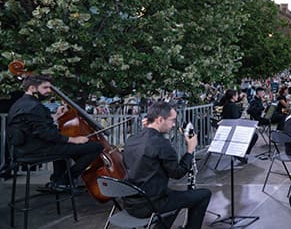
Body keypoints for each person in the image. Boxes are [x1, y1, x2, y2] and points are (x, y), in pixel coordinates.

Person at [123, 101, 212, 229]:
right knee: (204, 195)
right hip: (150, 204)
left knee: (174, 196)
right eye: (172, 120)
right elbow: (177, 173)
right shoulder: (161, 144)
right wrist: (190, 150)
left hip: (130, 202)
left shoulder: (132, 139)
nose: (174, 124)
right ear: (159, 119)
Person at [6, 74, 103, 192]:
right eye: (45, 87)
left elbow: (35, 125)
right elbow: (46, 134)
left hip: (24, 149)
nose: (49, 91)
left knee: (63, 147)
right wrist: (73, 140)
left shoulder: (22, 103)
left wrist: (57, 115)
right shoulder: (33, 106)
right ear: (32, 88)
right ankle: (65, 181)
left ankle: (56, 181)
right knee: (96, 147)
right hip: (35, 150)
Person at [217, 89, 257, 162]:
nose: (238, 96)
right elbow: (236, 120)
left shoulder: (226, 105)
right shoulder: (233, 106)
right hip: (233, 130)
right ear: (233, 96)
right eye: (236, 95)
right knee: (254, 135)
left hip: (226, 128)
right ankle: (243, 154)